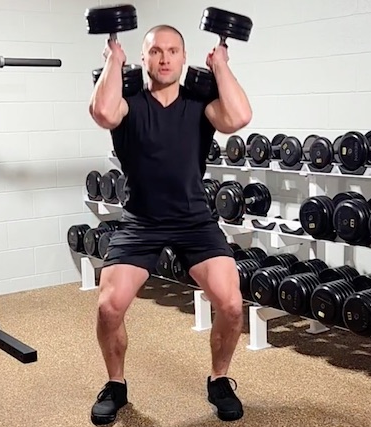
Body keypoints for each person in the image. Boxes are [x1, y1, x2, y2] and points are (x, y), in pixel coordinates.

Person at [87, 23, 252, 425]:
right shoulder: (128, 102)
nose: (164, 58)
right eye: (156, 51)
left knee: (231, 304)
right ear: (143, 59)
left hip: (195, 220)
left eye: (173, 51)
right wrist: (113, 60)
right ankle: (116, 385)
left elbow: (240, 117)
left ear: (183, 57)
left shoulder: (200, 105)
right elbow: (103, 112)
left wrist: (221, 66)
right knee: (109, 306)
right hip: (141, 221)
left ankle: (219, 380)